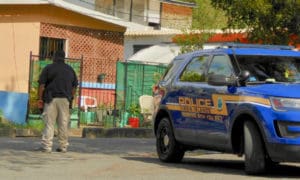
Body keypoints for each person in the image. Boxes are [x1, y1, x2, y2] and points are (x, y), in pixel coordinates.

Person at [37, 50, 78, 153]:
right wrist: (70, 97)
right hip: (65, 100)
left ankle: (47, 147)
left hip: (51, 99)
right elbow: (74, 87)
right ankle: (63, 146)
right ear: (64, 58)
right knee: (63, 124)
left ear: (54, 57)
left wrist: (40, 99)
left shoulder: (48, 68)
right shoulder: (70, 70)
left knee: (49, 123)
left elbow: (42, 85)